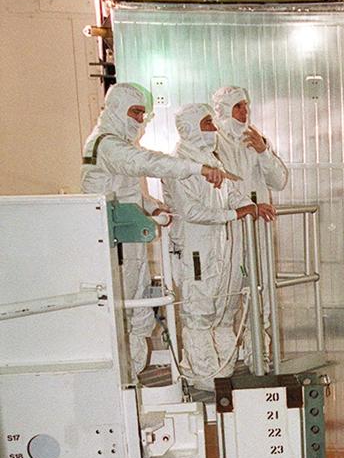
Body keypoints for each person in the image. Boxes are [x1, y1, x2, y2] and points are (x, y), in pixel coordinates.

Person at [81, 82, 233, 376]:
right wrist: (196, 168)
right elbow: (148, 163)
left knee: (137, 313)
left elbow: (127, 192)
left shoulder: (118, 145)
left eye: (143, 114)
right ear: (115, 109)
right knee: (123, 313)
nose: (139, 120)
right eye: (135, 112)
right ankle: (121, 382)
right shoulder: (106, 145)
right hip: (112, 247)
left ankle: (132, 380)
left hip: (128, 242)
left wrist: (152, 207)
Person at [162, 104, 262, 391]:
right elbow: (191, 211)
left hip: (219, 247)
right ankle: (203, 374)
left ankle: (222, 368)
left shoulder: (211, 160)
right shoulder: (178, 164)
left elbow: (232, 195)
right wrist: (235, 214)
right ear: (191, 127)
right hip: (195, 249)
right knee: (198, 312)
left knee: (223, 308)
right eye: (208, 123)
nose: (214, 129)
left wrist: (250, 206)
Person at [211, 86, 288, 361]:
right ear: (223, 110)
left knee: (262, 288)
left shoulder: (256, 139)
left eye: (246, 106)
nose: (244, 112)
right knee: (229, 291)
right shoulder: (214, 143)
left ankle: (258, 352)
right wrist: (245, 207)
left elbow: (279, 180)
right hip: (231, 228)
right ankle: (225, 356)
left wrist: (264, 151)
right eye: (238, 107)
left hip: (259, 228)